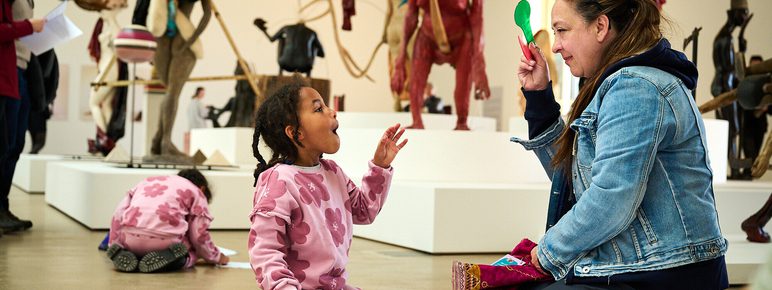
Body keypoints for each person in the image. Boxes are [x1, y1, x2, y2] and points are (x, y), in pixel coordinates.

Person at [511, 0, 727, 289]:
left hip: (664, 274)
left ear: (601, 26)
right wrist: (539, 97)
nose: (555, 46)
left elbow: (611, 199)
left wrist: (548, 252)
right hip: (644, 266)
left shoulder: (635, 86)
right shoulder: (616, 81)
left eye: (562, 30)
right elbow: (579, 180)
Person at [248, 80, 408, 289]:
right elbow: (265, 251)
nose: (332, 112)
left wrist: (379, 166)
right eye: (318, 108)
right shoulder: (279, 180)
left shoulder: (333, 172)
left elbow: (364, 211)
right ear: (295, 132)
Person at [106, 169, 229, 273]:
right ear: (202, 189)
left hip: (130, 240)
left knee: (137, 247)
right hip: (165, 243)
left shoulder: (147, 182)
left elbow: (118, 214)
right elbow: (198, 235)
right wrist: (216, 257)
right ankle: (175, 260)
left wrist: (115, 243)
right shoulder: (197, 192)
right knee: (189, 253)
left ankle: (126, 253)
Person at [0, 0, 45, 235]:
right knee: (6, 144)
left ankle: (4, 206)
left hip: (22, 67)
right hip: (10, 67)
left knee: (15, 143)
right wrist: (29, 26)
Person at [185, 87, 209, 154]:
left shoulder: (191, 103)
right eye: (202, 93)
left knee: (193, 147)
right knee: (200, 146)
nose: (203, 94)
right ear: (198, 93)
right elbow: (204, 114)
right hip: (199, 127)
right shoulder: (199, 103)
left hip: (192, 127)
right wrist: (207, 109)